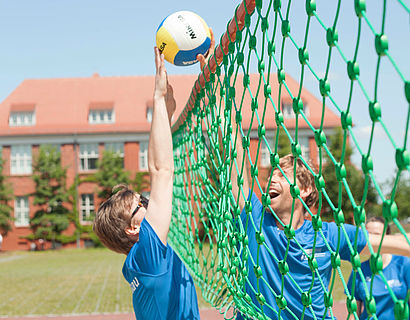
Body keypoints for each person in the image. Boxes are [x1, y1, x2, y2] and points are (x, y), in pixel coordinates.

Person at [230, 130, 410, 319]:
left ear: (306, 189)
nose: (271, 180)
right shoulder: (254, 221)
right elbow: (234, 161)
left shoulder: (326, 234)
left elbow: (395, 243)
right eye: (271, 177)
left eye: (282, 175)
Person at [93, 47, 199, 320]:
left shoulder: (137, 262)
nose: (147, 201)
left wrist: (165, 113)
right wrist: (158, 97)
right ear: (131, 228)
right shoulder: (148, 254)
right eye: (139, 204)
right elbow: (161, 170)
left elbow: (158, 166)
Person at [347, 216, 410, 320]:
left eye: (376, 235)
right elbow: (354, 312)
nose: (372, 240)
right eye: (368, 235)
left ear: (387, 237)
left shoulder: (403, 264)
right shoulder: (359, 269)